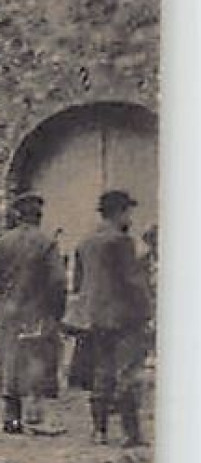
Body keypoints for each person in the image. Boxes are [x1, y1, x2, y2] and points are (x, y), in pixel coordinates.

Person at [73, 190, 153, 446]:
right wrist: (147, 311)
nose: (130, 217)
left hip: (95, 318)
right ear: (119, 212)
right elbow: (134, 282)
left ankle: (100, 431)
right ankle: (132, 434)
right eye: (128, 211)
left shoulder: (85, 242)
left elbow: (78, 283)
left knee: (102, 372)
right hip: (124, 317)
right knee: (128, 372)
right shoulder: (122, 241)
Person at [0, 193, 67, 435]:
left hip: (10, 313)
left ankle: (11, 420)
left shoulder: (2, 243)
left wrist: (9, 295)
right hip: (38, 312)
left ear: (18, 215)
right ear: (39, 216)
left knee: (11, 362)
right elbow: (58, 281)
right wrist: (55, 310)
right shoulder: (46, 242)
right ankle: (35, 417)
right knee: (37, 360)